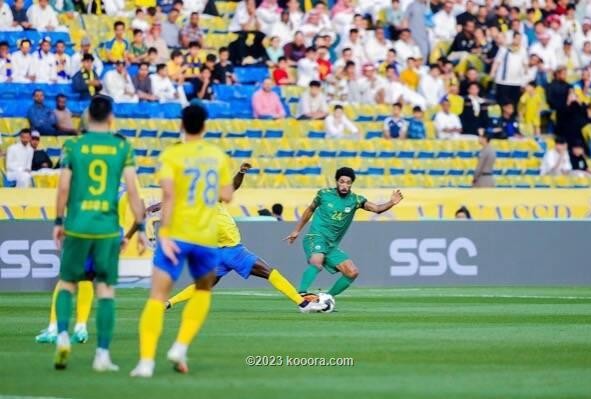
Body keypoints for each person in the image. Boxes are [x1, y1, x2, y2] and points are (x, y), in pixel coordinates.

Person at [130, 105, 233, 378]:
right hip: (205, 236)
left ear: (182, 125)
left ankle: (146, 363)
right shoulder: (217, 156)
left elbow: (169, 197)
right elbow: (227, 194)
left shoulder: (171, 155)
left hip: (176, 234)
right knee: (202, 291)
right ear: (205, 125)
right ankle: (180, 346)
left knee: (157, 297)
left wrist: (163, 234)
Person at [52, 95, 147, 371]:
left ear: (86, 117)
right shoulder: (122, 147)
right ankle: (102, 355)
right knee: (105, 291)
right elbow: (132, 190)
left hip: (77, 226)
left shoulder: (73, 145)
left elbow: (63, 188)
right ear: (110, 118)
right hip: (107, 230)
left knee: (68, 284)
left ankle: (62, 337)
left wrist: (59, 221)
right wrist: (140, 227)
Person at [166, 162, 324, 312]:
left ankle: (168, 303)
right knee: (270, 272)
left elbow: (232, 186)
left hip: (219, 252)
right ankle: (303, 303)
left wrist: (241, 172)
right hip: (233, 251)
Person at [285, 167, 403, 299]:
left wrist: (392, 202)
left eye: (348, 182)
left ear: (351, 184)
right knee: (317, 262)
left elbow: (377, 208)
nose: (345, 185)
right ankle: (301, 294)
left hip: (331, 246)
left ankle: (326, 298)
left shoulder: (355, 200)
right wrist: (296, 230)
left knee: (352, 272)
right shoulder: (323, 194)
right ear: (336, 181)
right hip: (315, 237)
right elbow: (310, 210)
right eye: (342, 181)